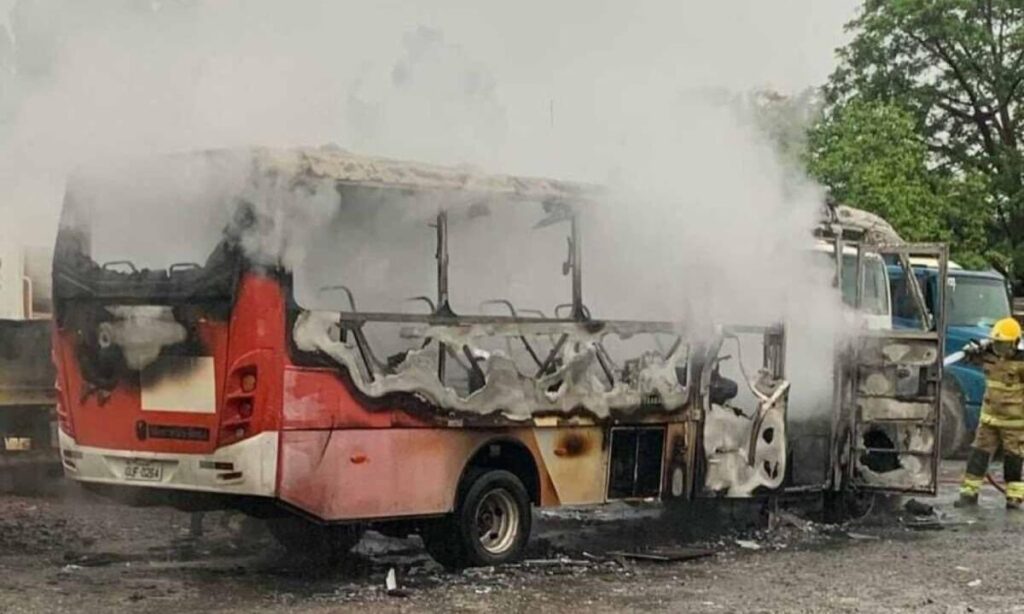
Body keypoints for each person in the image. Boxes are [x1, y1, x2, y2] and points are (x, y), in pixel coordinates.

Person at [956, 317, 1024, 509]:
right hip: (989, 420)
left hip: (1014, 422)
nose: (1000, 350)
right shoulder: (989, 355)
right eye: (998, 345)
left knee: (1013, 460)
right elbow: (970, 357)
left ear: (1015, 343)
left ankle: (1014, 497)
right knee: (978, 455)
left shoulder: (1021, 363)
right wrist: (972, 348)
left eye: (1004, 345)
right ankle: (968, 494)